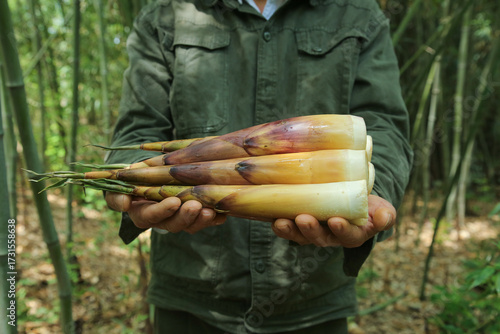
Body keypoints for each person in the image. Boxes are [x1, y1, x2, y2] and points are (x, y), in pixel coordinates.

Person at [105, 0, 413, 333]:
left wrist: (372, 192)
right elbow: (138, 129)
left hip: (312, 301)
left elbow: (384, 127)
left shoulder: (357, 13)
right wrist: (130, 183)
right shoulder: (166, 13)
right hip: (191, 299)